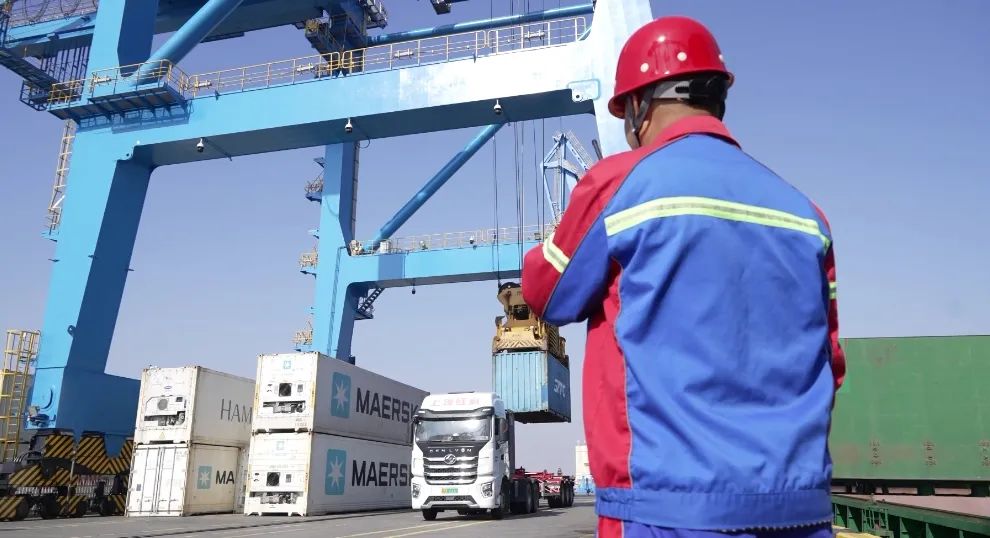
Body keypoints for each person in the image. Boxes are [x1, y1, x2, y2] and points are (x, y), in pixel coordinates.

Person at [520, 15, 845, 538]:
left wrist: (554, 241)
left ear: (639, 105)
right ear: (717, 97)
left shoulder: (619, 185)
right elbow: (832, 362)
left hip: (665, 511)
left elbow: (547, 293)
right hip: (799, 511)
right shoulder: (806, 216)